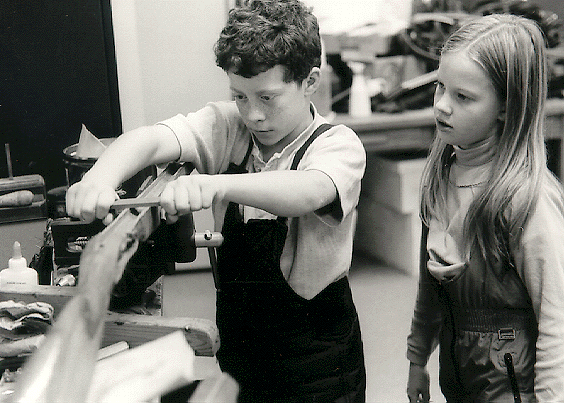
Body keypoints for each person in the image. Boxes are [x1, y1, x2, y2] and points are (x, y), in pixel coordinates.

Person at [66, 0, 367, 401]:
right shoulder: (230, 126)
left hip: (318, 357)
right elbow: (151, 139)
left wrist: (215, 185)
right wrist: (99, 178)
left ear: (310, 81)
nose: (253, 114)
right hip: (242, 346)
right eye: (240, 96)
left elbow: (307, 191)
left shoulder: (338, 145)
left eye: (267, 97)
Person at [406, 14, 564, 403]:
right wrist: (417, 359)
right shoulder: (440, 175)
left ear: (506, 107)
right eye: (440, 86)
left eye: (463, 97)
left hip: (513, 385)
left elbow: (556, 320)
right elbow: (430, 288)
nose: (441, 106)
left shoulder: (527, 198)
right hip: (458, 375)